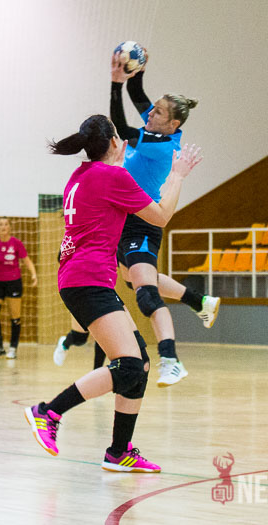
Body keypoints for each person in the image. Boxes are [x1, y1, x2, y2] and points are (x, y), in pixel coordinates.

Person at [24, 114, 201, 472]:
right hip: (88, 279)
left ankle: (119, 452)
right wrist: (178, 175)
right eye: (120, 136)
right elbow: (161, 216)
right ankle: (48, 412)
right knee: (129, 364)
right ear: (115, 142)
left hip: (82, 277)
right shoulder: (111, 176)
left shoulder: (80, 176)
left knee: (141, 364)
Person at [110, 51, 219, 387]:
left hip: (142, 222)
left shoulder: (159, 144)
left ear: (173, 124)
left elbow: (121, 127)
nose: (150, 113)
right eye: (153, 108)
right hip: (125, 221)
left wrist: (115, 84)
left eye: (157, 112)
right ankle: (199, 301)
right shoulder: (157, 127)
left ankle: (171, 360)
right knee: (134, 280)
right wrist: (137, 69)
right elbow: (137, 94)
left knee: (145, 294)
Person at [0, 217, 37, 359]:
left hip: (14, 282)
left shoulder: (16, 243)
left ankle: (13, 348)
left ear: (10, 227)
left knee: (15, 317)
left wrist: (33, 274)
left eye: (6, 224)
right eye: (1, 224)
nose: (3, 227)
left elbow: (27, 260)